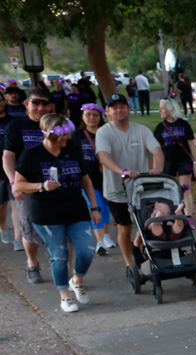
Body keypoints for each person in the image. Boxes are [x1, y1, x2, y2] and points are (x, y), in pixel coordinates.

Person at [13, 113, 102, 313]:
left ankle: (76, 279)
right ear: (50, 134)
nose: (68, 138)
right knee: (59, 255)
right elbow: (19, 184)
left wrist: (94, 207)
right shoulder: (31, 154)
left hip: (76, 211)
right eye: (64, 135)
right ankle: (65, 296)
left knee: (87, 251)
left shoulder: (71, 150)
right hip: (47, 216)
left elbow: (86, 180)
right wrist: (41, 186)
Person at [95, 93, 164, 278]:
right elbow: (103, 156)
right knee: (124, 228)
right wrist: (122, 171)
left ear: (129, 108)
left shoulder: (141, 130)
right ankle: (129, 264)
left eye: (122, 106)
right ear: (108, 111)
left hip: (141, 189)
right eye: (114, 107)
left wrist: (157, 169)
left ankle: (137, 246)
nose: (119, 110)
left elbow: (156, 151)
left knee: (147, 223)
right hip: (116, 190)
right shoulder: (104, 132)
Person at [3, 86, 54, 281]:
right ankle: (32, 262)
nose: (40, 107)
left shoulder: (55, 124)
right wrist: (13, 182)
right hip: (26, 185)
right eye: (36, 102)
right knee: (29, 228)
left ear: (50, 106)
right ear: (27, 104)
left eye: (44, 103)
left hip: (54, 184)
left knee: (58, 225)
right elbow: (8, 157)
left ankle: (59, 262)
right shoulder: (15, 126)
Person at [72, 103, 116, 255]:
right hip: (87, 178)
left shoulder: (107, 132)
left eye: (95, 115)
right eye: (88, 114)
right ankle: (100, 241)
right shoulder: (76, 135)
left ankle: (106, 235)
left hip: (107, 176)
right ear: (83, 117)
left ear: (100, 117)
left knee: (106, 207)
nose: (91, 118)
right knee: (96, 207)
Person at [155, 99, 196, 227]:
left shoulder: (184, 125)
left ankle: (188, 216)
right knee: (168, 189)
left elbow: (191, 145)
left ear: (172, 109)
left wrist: (195, 162)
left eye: (162, 108)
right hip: (168, 161)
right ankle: (171, 216)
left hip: (184, 160)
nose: (160, 111)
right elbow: (157, 149)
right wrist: (157, 166)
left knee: (185, 189)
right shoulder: (160, 127)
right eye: (159, 108)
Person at [0, 92, 14, 245]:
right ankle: (2, 228)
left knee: (16, 201)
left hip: (12, 166)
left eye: (1, 100)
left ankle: (19, 236)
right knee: (1, 204)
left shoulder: (12, 122)